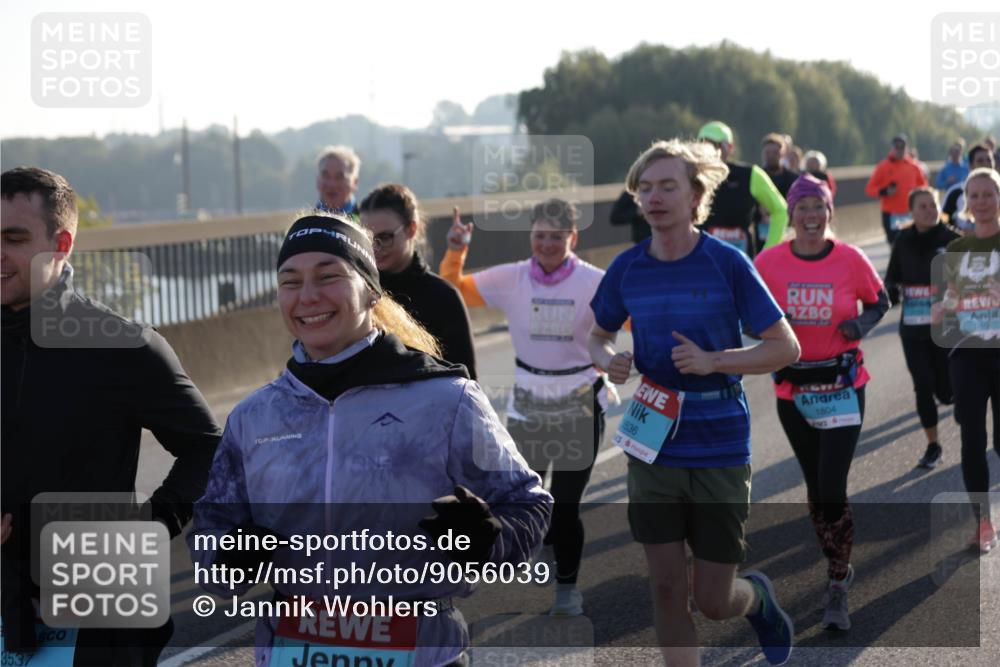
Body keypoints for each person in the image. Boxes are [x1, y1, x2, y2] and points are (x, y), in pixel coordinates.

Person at [190, 212, 551, 667]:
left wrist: (489, 540)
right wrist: (227, 557)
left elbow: (530, 505)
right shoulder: (254, 416)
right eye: (290, 281)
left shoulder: (445, 399)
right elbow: (210, 534)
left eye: (328, 276)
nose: (308, 296)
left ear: (371, 289)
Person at [588, 139, 800, 665]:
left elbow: (784, 346)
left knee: (713, 599)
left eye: (668, 186)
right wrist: (608, 357)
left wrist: (714, 361)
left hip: (719, 443)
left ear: (696, 195)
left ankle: (757, 598)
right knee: (664, 588)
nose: (654, 197)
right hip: (651, 442)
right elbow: (596, 335)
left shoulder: (727, 263)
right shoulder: (627, 268)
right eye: (645, 188)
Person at [1, 167, 222, 663]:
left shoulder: (124, 345)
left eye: (14, 238)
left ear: (61, 244)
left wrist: (144, 530)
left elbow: (209, 448)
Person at [440, 198, 607, 616]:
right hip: (529, 406)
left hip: (580, 402)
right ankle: (541, 547)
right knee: (525, 502)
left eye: (556, 237)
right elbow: (453, 287)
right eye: (539, 236)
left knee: (565, 507)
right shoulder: (513, 277)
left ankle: (567, 591)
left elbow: (636, 318)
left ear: (573, 237)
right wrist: (457, 248)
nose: (547, 245)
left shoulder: (595, 282)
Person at [755, 174, 890, 631]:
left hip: (843, 387)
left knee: (832, 483)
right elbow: (750, 315)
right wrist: (771, 328)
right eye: (802, 207)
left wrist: (861, 325)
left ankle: (837, 580)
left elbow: (881, 300)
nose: (811, 216)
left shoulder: (850, 259)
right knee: (815, 487)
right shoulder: (768, 263)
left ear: (829, 213)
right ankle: (836, 559)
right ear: (790, 215)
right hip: (793, 392)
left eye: (819, 207)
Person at [934, 167, 1000, 553]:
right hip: (968, 354)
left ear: (998, 197)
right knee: (972, 438)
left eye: (987, 193)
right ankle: (983, 523)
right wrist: (944, 309)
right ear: (966, 204)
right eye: (973, 196)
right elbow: (948, 301)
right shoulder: (956, 250)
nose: (980, 201)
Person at [359, 183, 478, 379]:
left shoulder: (443, 297)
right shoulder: (357, 293)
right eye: (367, 238)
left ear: (411, 229)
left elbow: (467, 384)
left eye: (385, 237)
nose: (375, 247)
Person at [884, 187, 959, 469]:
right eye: (923, 206)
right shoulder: (903, 239)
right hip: (913, 328)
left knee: (946, 390)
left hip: (946, 328)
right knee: (922, 385)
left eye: (933, 205)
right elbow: (892, 278)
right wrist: (890, 293)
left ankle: (956, 397)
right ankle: (933, 445)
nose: (929, 210)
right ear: (912, 211)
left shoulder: (952, 240)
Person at [696, 121, 789, 257]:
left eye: (716, 145)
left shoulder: (750, 175)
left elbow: (780, 211)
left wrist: (767, 254)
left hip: (740, 263)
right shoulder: (690, 176)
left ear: (730, 147)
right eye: (704, 145)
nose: (711, 151)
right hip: (702, 263)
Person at [864, 133, 928, 245]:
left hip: (910, 213)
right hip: (891, 214)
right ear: (892, 148)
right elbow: (869, 189)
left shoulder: (914, 167)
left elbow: (924, 188)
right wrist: (885, 191)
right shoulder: (883, 166)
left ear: (906, 148)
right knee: (896, 246)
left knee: (913, 246)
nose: (899, 149)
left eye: (902, 146)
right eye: (896, 147)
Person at [942, 144, 996, 233]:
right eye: (980, 161)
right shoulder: (956, 192)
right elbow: (943, 223)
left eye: (989, 160)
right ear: (971, 166)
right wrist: (961, 233)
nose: (986, 164)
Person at [315, 145, 361, 217]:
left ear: (355, 183)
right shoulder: (305, 224)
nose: (332, 184)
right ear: (317, 180)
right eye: (326, 176)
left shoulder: (367, 223)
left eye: (339, 177)